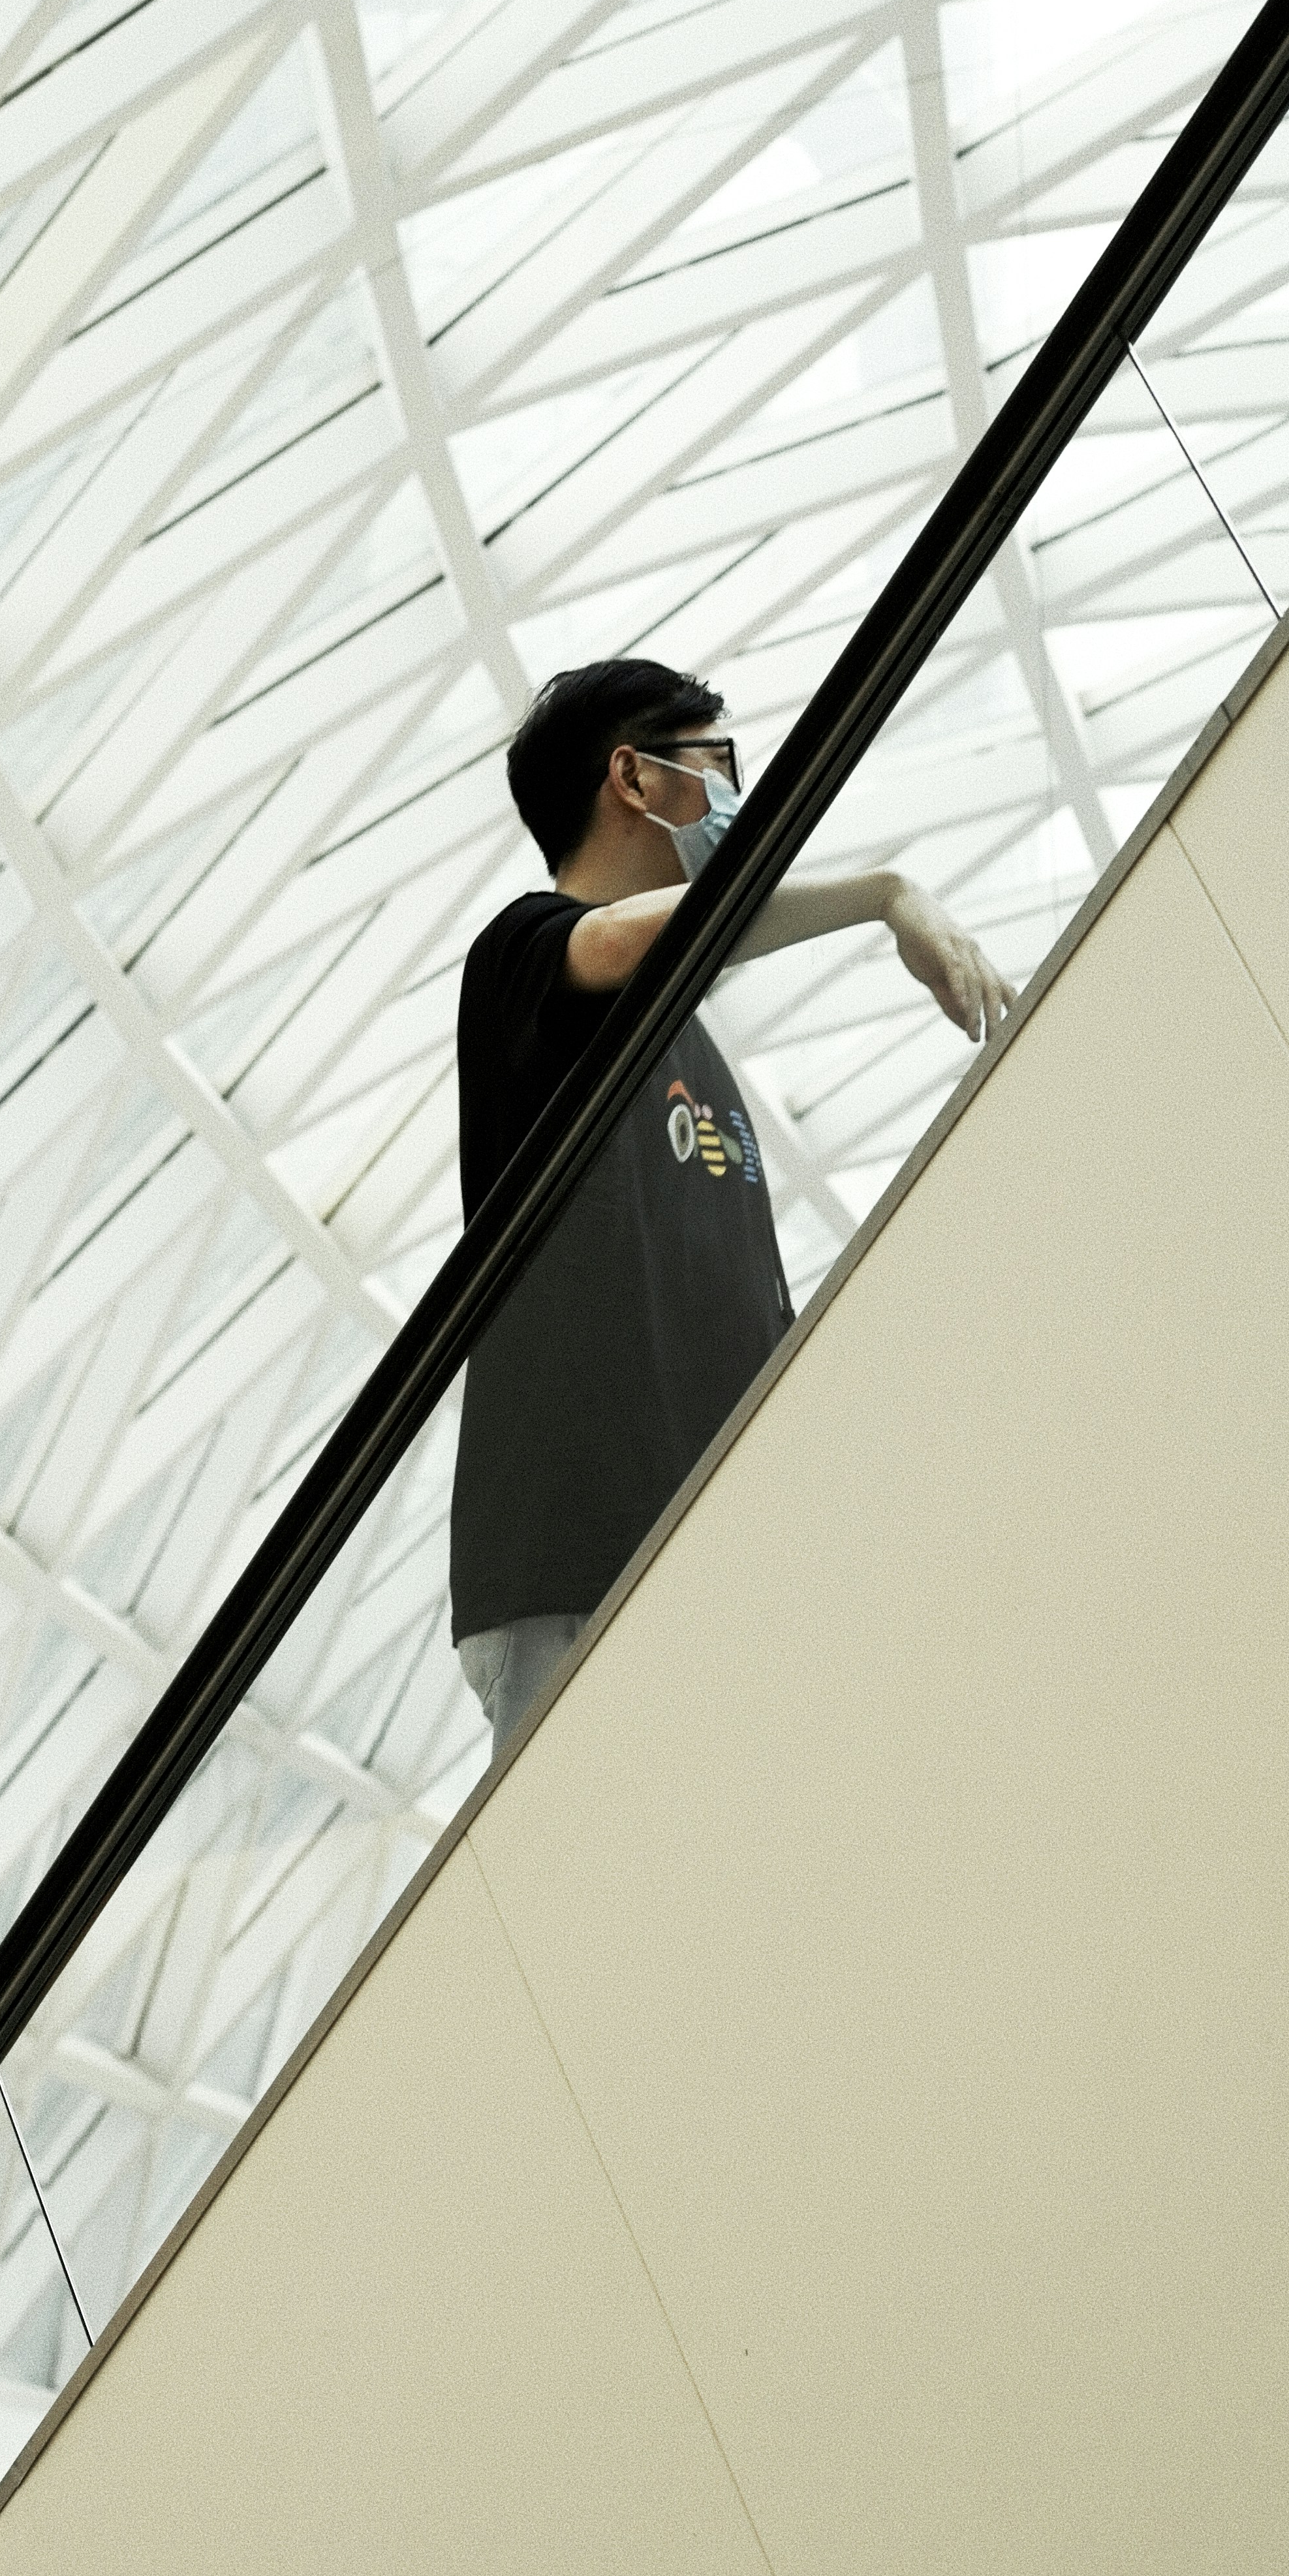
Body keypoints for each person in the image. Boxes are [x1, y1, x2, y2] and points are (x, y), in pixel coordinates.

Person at [451, 658, 1017, 1757]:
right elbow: (623, 943)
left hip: (716, 1559)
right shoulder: (522, 955)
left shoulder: (690, 1054)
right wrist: (881, 894)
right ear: (635, 776)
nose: (741, 798)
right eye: (722, 764)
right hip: (578, 1553)